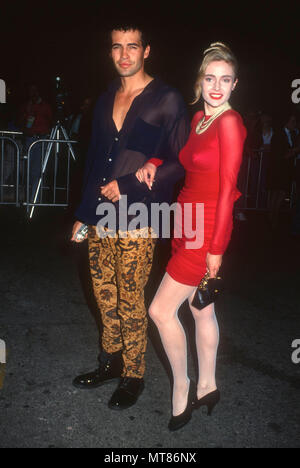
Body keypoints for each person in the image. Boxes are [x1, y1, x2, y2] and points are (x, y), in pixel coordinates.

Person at [70, 24, 190, 410]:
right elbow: (94, 163)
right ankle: (110, 362)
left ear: (146, 50)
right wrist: (83, 214)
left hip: (139, 217)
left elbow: (180, 162)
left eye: (132, 46)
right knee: (104, 298)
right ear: (110, 52)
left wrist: (132, 186)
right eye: (117, 47)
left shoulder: (167, 99)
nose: (124, 54)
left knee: (130, 301)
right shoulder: (105, 99)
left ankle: (133, 375)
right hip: (100, 217)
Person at [136, 42, 246, 430]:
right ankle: (209, 384)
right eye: (210, 78)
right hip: (184, 222)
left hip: (205, 230)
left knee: (160, 311)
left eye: (225, 80)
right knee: (202, 308)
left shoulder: (229, 123)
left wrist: (216, 248)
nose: (217, 86)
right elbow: (175, 152)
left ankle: (181, 387)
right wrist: (152, 161)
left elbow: (226, 190)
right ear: (200, 81)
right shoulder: (199, 118)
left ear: (235, 84)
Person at [19, 84, 53, 201]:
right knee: (26, 171)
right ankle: (26, 199)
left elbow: (51, 121)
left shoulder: (45, 106)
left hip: (40, 141)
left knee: (36, 172)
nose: (32, 93)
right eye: (30, 90)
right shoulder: (26, 105)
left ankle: (34, 201)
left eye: (34, 90)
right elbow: (21, 122)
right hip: (29, 140)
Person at [267, 114, 299, 229]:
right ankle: (272, 216)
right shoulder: (279, 135)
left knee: (281, 193)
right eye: (292, 121)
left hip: (286, 169)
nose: (294, 123)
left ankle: (273, 215)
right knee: (276, 192)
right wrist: (292, 151)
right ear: (286, 122)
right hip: (277, 168)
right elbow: (279, 154)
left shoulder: (293, 135)